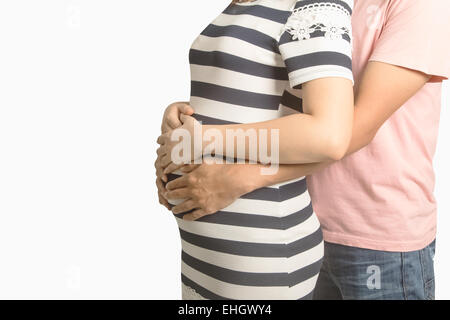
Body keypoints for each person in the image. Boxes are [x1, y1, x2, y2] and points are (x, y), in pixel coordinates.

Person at [157, 0, 450, 299]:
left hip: (375, 234)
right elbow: (274, 101)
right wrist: (180, 144)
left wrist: (244, 175)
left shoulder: (420, 6)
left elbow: (350, 131)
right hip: (302, 213)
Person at [156, 0, 355, 299]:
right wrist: (178, 123)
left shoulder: (312, 8)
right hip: (205, 250)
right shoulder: (242, 3)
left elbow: (328, 135)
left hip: (260, 249)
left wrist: (202, 139)